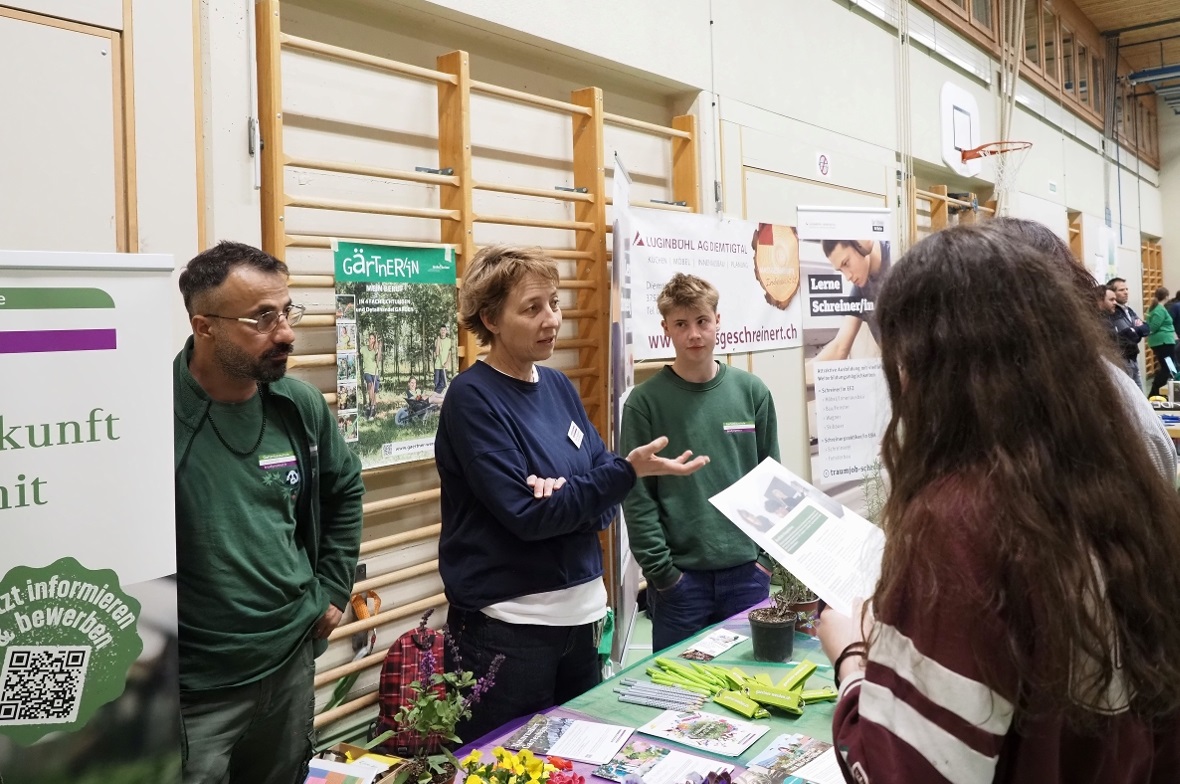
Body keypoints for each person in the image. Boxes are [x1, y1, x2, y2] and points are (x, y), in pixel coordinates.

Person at [817, 225, 1180, 784]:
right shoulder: (1119, 483)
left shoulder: (960, 521)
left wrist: (852, 658)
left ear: (936, 368)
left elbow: (903, 771)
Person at [435, 245, 710, 743]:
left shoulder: (558, 386)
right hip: (508, 633)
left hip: (581, 622)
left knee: (577, 762)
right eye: (532, 308)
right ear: (491, 319)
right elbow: (528, 516)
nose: (552, 319)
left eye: (554, 303)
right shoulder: (472, 397)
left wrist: (572, 495)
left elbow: (599, 498)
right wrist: (601, 484)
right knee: (505, 767)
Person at [173, 241, 365, 784]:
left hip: (289, 662)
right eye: (262, 318)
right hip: (196, 687)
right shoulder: (151, 412)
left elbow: (345, 489)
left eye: (286, 312)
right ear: (204, 327)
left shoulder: (297, 406)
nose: (285, 333)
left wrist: (334, 587)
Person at [621, 273, 779, 652]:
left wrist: (765, 561)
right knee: (680, 682)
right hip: (680, 583)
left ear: (717, 321)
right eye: (681, 324)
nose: (694, 334)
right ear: (666, 329)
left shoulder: (752, 392)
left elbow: (773, 482)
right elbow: (637, 496)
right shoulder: (644, 403)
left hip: (747, 575)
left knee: (748, 679)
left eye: (702, 321)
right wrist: (662, 573)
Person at [989, 218, 1175, 480]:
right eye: (1117, 293)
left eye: (1123, 292)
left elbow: (1140, 330)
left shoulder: (1103, 385)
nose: (1120, 297)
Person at [813, 239, 891, 362]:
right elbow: (840, 348)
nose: (847, 277)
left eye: (846, 263)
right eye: (841, 270)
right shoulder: (860, 289)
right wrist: (798, 370)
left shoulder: (899, 255)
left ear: (862, 243)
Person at [1108, 276, 1150, 379]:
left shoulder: (1128, 310)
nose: (1126, 292)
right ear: (1113, 293)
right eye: (1121, 290)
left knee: (1138, 389)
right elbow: (1129, 336)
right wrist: (1136, 330)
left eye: (1127, 289)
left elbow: (1146, 328)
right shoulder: (1113, 312)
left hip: (1133, 358)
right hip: (1122, 359)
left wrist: (1135, 330)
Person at [1147, 286, 1177, 397]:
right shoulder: (1159, 309)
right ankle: (1154, 393)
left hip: (1164, 342)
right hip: (1164, 343)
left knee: (1169, 367)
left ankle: (1168, 390)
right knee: (1167, 368)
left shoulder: (1156, 308)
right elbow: (1153, 326)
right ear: (1167, 296)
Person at [360, 331, 381, 418]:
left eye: (372, 338)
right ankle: (371, 405)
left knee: (374, 392)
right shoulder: (363, 348)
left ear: (374, 340)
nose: (370, 340)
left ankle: (372, 408)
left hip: (375, 372)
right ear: (368, 339)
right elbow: (357, 353)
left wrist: (379, 348)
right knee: (370, 384)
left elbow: (378, 360)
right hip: (367, 371)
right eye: (370, 338)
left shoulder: (375, 350)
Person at [434, 324, 455, 393]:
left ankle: (435, 394)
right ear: (440, 331)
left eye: (444, 330)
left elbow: (450, 353)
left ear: (446, 331)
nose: (443, 331)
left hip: (444, 365)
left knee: (443, 383)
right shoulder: (437, 340)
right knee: (436, 383)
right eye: (441, 330)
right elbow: (437, 353)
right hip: (437, 365)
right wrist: (438, 340)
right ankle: (436, 396)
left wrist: (447, 363)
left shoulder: (449, 341)